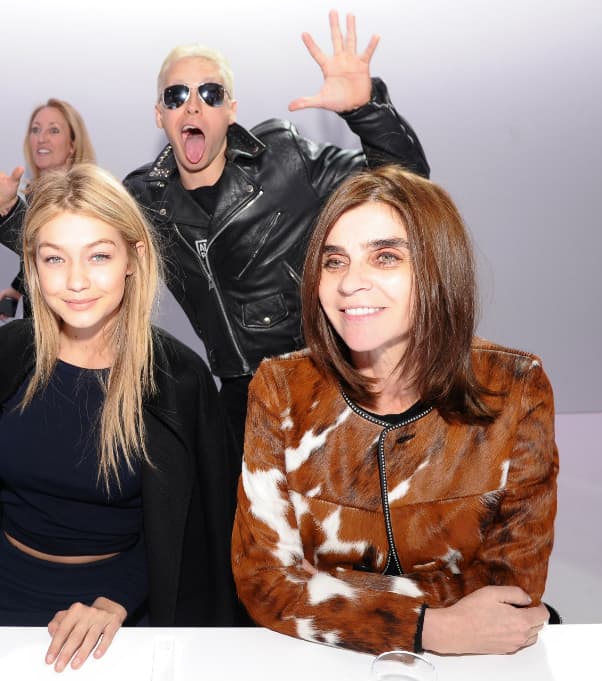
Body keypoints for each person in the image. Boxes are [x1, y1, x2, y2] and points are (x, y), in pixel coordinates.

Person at [0, 11, 430, 455]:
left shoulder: (285, 157)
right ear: (160, 115)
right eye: (176, 95)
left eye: (210, 93)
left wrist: (367, 109)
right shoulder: (144, 196)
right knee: (235, 533)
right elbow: (77, 251)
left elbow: (408, 183)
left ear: (230, 110)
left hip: (326, 379)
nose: (193, 105)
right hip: (237, 396)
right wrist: (7, 208)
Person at [231, 166, 559, 655]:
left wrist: (323, 590)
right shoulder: (281, 388)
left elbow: (508, 596)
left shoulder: (514, 388)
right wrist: (432, 626)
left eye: (385, 257)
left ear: (438, 268)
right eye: (335, 262)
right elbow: (263, 582)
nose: (349, 284)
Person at [0, 164, 236, 671]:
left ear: (133, 258)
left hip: (118, 608)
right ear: (33, 267)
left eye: (98, 256)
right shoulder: (5, 352)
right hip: (0, 590)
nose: (76, 281)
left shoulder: (177, 378)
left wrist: (118, 600)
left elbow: (191, 528)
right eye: (54, 258)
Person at [0, 98, 95, 318]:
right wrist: (19, 288)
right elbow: (39, 256)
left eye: (54, 130)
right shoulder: (36, 195)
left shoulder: (89, 193)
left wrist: (9, 208)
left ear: (72, 144)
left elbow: (59, 248)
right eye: (35, 130)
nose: (41, 138)